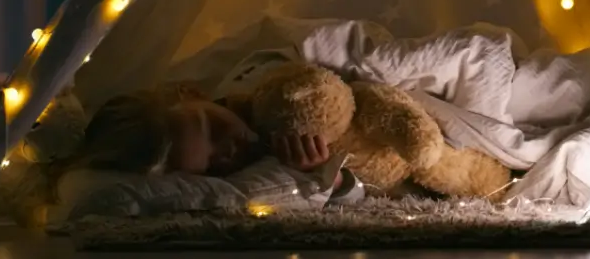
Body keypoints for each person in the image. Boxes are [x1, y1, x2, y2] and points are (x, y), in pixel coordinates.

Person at [56, 90, 361, 202]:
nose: (230, 151)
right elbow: (358, 193)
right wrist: (330, 179)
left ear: (192, 92)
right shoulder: (252, 171)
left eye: (215, 128)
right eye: (214, 164)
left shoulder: (262, 97)